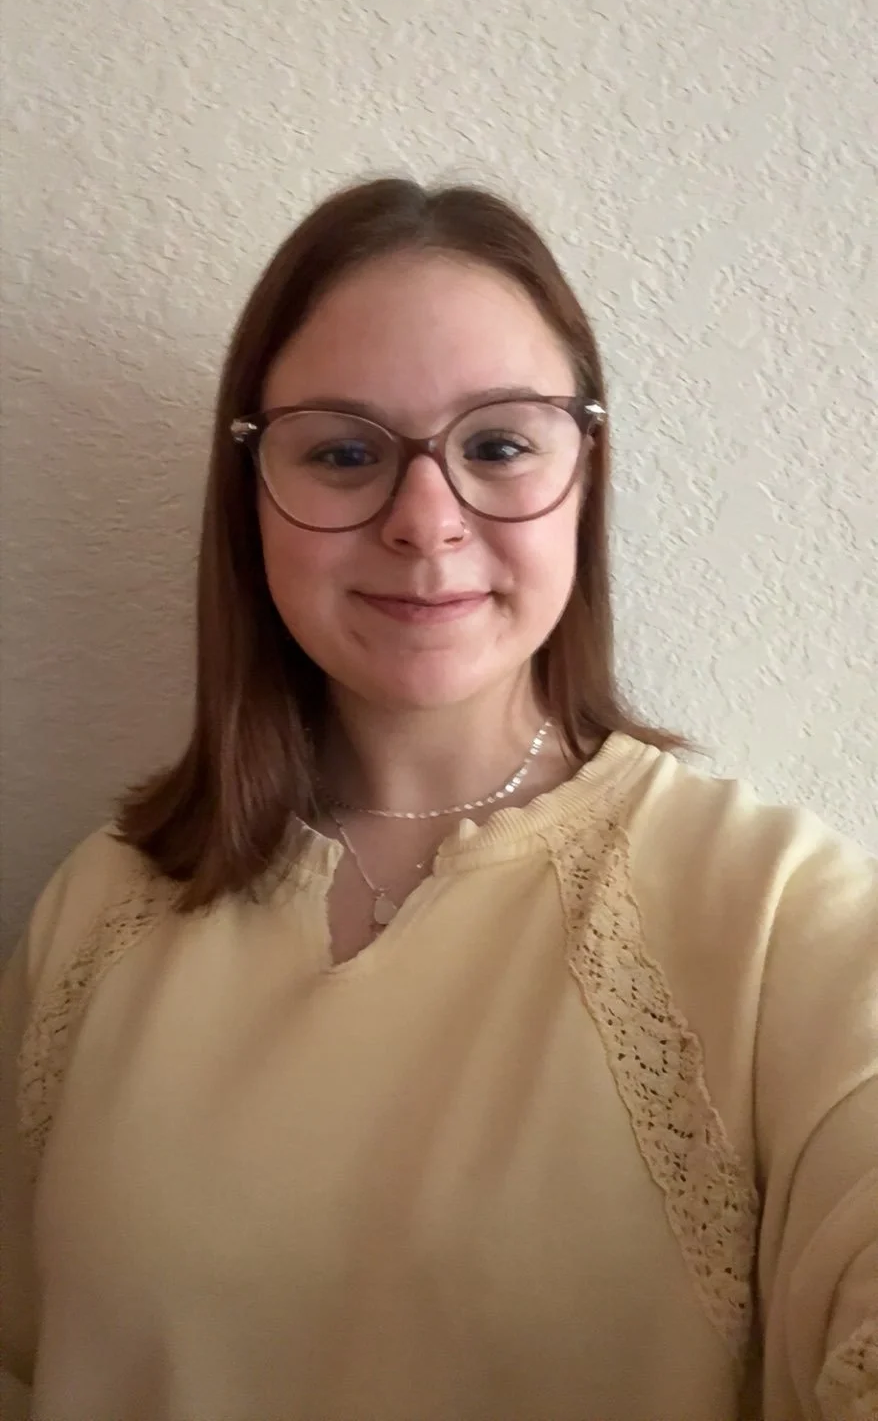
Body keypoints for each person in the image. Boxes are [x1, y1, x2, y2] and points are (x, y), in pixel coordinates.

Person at [1, 177, 875, 1421]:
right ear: (250, 494)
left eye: (498, 445)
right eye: (345, 451)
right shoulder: (97, 910)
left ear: (586, 471)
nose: (425, 521)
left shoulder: (773, 914)